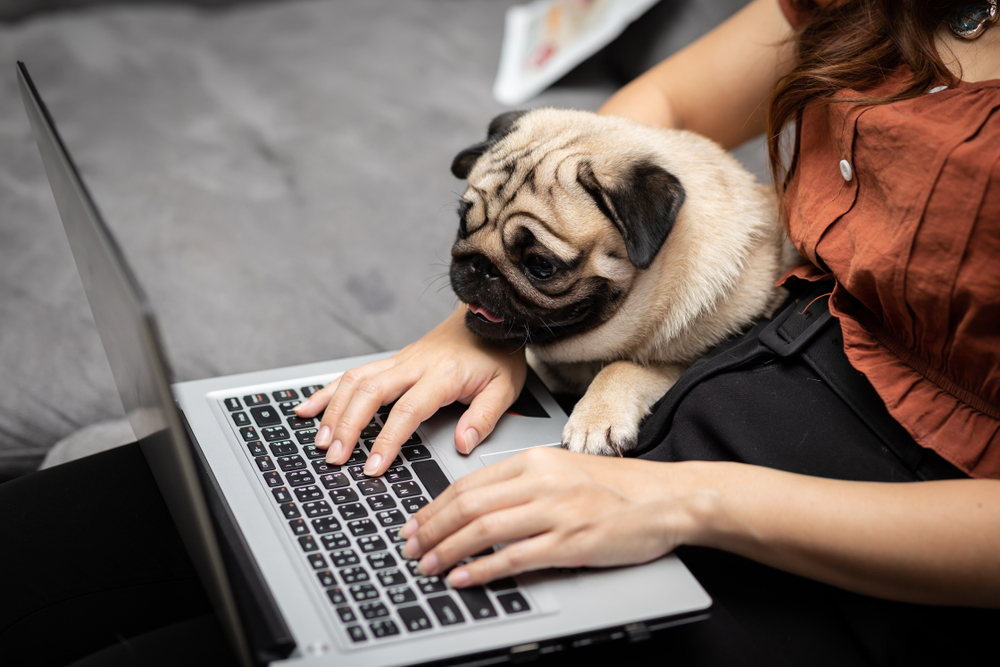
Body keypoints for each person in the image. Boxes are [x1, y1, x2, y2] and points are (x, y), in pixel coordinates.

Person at [2, 1, 997, 665]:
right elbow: (668, 103)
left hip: (856, 541)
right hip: (664, 383)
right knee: (87, 529)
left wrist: (680, 499)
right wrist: (484, 324)